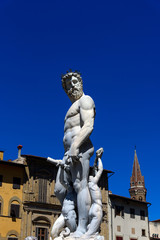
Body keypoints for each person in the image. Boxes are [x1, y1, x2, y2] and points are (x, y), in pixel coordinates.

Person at [48, 71, 96, 238]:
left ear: (81, 83)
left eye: (74, 82)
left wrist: (75, 146)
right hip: (68, 153)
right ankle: (71, 219)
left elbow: (88, 125)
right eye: (68, 86)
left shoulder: (86, 100)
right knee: (59, 189)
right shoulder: (71, 107)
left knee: (80, 185)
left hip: (80, 148)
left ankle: (82, 229)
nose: (71, 87)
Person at [82, 148, 104, 238]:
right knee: (89, 234)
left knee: (93, 231)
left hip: (91, 209)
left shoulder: (88, 185)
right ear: (90, 178)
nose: (93, 176)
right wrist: (99, 158)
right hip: (97, 208)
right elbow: (100, 170)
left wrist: (95, 160)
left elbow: (95, 168)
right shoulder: (94, 183)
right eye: (91, 176)